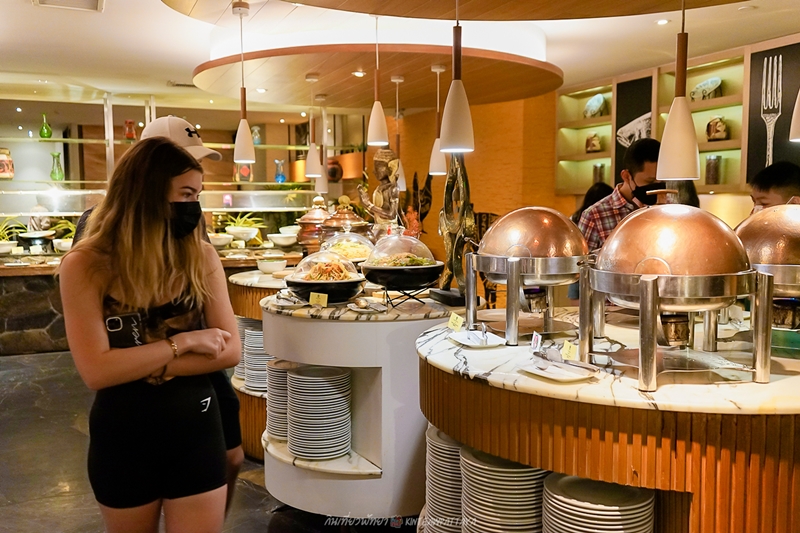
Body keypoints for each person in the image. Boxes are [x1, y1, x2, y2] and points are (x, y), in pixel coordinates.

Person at [60, 137, 241, 533]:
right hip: (122, 436)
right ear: (147, 192)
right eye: (187, 194)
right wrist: (183, 343)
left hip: (196, 426)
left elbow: (230, 351)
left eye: (198, 196)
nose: (194, 207)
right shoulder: (85, 265)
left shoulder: (200, 256)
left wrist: (137, 363)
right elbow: (96, 372)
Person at [577, 138, 662, 252]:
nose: (657, 186)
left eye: (661, 181)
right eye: (650, 181)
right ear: (626, 176)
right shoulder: (594, 216)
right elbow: (583, 261)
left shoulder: (668, 207)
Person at [568, 182, 613, 300]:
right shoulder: (592, 215)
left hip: (576, 269)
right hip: (587, 272)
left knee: (576, 306)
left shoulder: (575, 217)